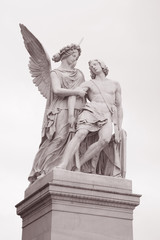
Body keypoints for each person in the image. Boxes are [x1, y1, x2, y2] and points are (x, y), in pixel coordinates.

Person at [28, 44, 86, 183]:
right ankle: (42, 169)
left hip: (77, 109)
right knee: (58, 138)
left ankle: (67, 167)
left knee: (73, 139)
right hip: (60, 109)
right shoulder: (55, 73)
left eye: (77, 58)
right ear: (66, 56)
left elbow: (84, 93)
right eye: (73, 56)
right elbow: (57, 90)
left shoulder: (79, 74)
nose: (75, 60)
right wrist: (75, 92)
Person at [58, 59, 125, 176]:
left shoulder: (115, 84)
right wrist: (71, 116)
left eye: (95, 64)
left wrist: (118, 128)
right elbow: (73, 95)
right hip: (91, 111)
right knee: (80, 134)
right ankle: (63, 164)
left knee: (104, 140)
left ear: (102, 65)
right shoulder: (89, 83)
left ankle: (79, 163)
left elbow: (119, 107)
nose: (93, 67)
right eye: (91, 66)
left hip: (107, 115)